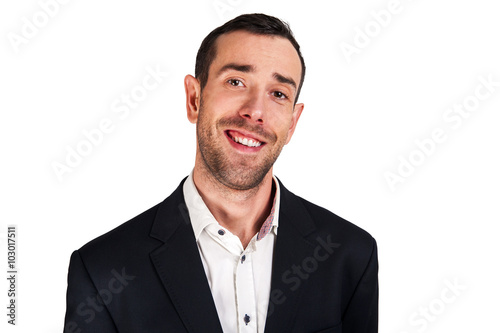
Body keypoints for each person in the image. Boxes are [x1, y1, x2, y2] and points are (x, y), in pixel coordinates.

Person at [64, 13, 378, 333]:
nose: (255, 111)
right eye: (236, 82)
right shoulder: (102, 270)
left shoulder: (351, 256)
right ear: (194, 99)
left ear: (293, 122)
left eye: (278, 93)